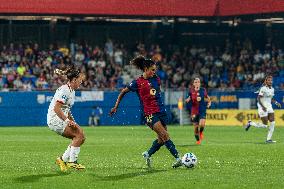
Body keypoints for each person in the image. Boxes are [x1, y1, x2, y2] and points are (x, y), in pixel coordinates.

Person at [109, 56, 183, 168]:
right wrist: (116, 106)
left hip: (161, 111)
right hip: (149, 113)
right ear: (146, 69)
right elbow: (123, 92)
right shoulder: (137, 83)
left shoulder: (156, 79)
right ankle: (178, 158)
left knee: (162, 140)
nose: (154, 72)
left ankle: (148, 154)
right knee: (164, 135)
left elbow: (156, 94)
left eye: (155, 70)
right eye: (152, 69)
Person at [47, 65, 86, 171]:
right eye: (79, 80)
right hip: (55, 119)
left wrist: (73, 122)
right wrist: (67, 121)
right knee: (78, 135)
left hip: (61, 118)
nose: (81, 83)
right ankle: (72, 162)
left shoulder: (71, 90)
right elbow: (56, 108)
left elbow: (67, 110)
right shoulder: (65, 90)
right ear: (73, 80)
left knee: (81, 136)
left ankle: (62, 159)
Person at [245, 75, 281, 143]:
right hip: (262, 107)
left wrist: (276, 102)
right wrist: (263, 107)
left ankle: (268, 139)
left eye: (271, 80)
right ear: (266, 81)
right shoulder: (263, 88)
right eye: (269, 80)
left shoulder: (272, 89)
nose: (270, 81)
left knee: (273, 123)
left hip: (269, 107)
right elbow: (258, 98)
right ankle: (251, 123)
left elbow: (271, 98)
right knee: (265, 125)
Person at [185, 78, 211, 145]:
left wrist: (209, 103)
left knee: (202, 124)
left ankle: (201, 132)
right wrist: (187, 100)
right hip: (194, 111)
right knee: (196, 128)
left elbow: (208, 98)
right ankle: (198, 140)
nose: (197, 83)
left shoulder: (203, 90)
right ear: (193, 84)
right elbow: (188, 98)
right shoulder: (191, 91)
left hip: (202, 109)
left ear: (200, 83)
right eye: (196, 82)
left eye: (198, 82)